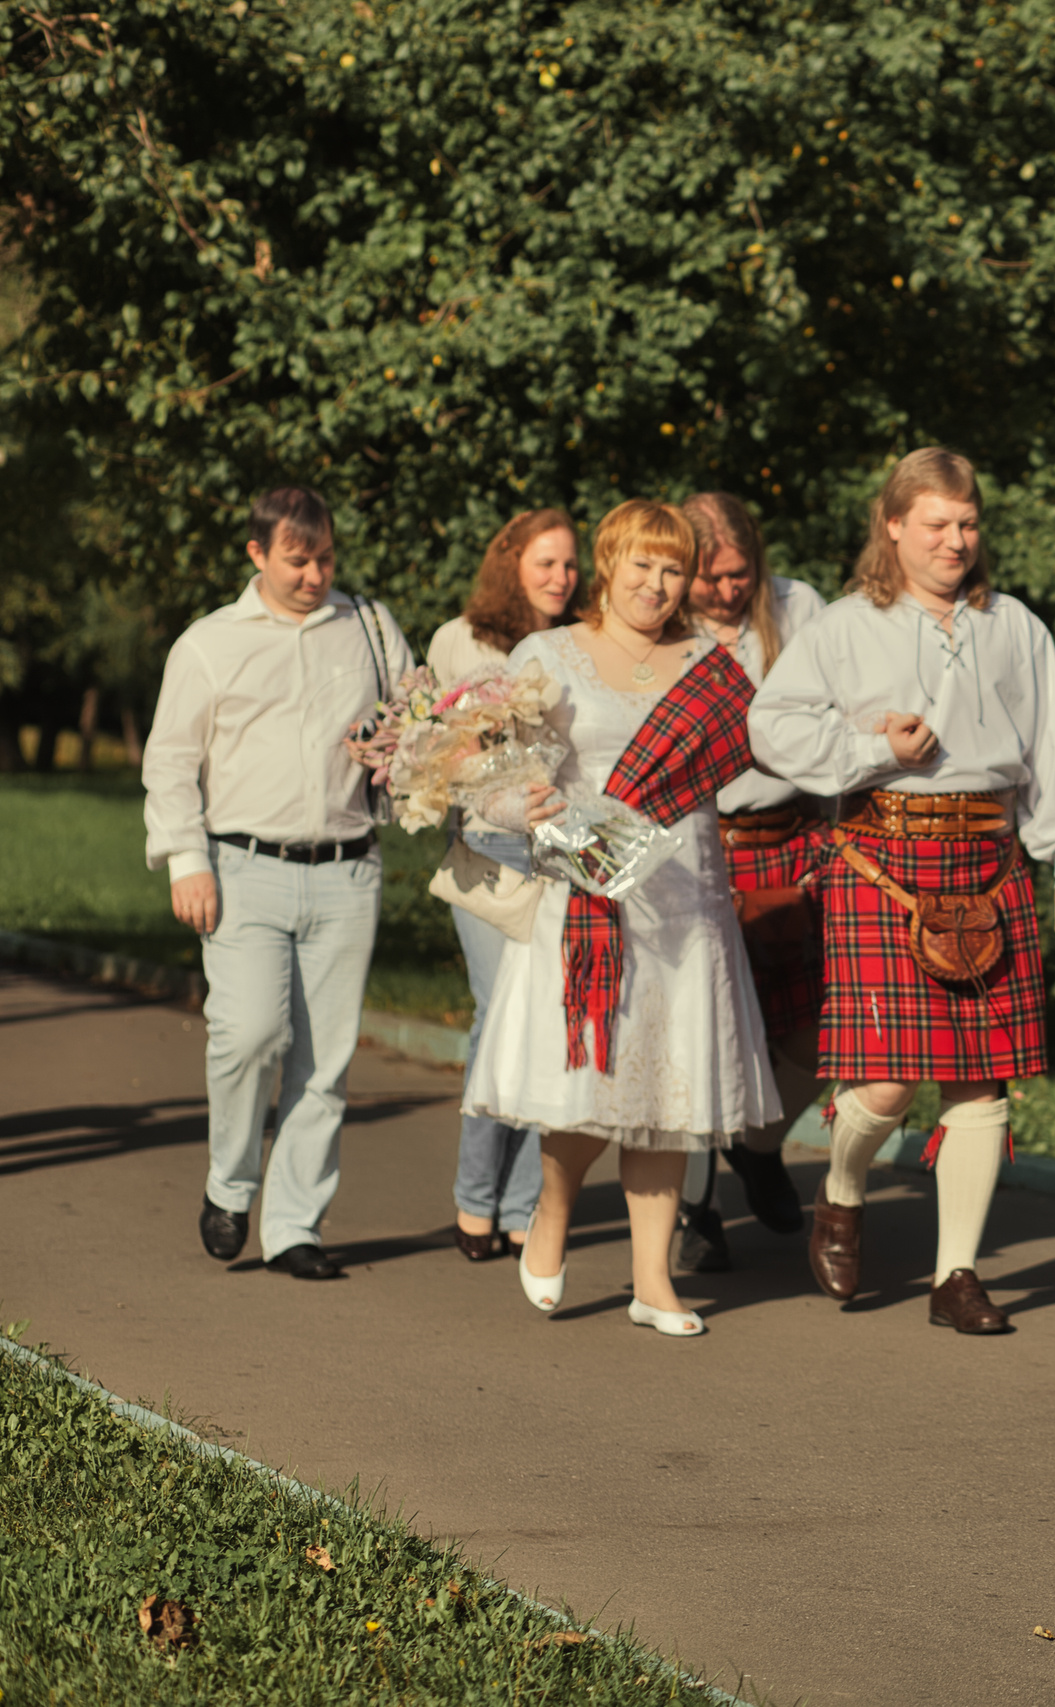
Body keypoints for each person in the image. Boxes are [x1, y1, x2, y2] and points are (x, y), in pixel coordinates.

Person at [749, 448, 1055, 1334]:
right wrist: (874, 750)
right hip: (881, 857)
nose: (956, 540)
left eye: (968, 523)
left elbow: (1051, 753)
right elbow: (771, 728)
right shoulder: (845, 625)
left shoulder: (1016, 626)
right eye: (937, 523)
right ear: (894, 524)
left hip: (988, 862)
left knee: (981, 1081)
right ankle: (840, 1188)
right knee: (889, 1085)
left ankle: (957, 1276)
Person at [461, 499, 781, 1338]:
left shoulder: (709, 663)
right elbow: (492, 780)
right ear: (608, 563)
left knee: (669, 1094)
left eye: (674, 569)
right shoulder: (547, 655)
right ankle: (552, 1213)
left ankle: (653, 1282)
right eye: (642, 564)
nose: (657, 584)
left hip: (686, 905)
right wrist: (520, 804)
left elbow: (764, 755)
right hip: (589, 899)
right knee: (589, 1088)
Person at [143, 486, 417, 1280]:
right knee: (250, 1034)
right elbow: (170, 760)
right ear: (257, 553)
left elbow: (418, 721)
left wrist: (396, 744)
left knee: (325, 1059)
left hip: (347, 869)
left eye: (325, 557)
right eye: (297, 560)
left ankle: (297, 1226)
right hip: (241, 868)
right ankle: (230, 1185)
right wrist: (186, 858)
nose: (314, 575)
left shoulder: (369, 627)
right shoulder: (209, 643)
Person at [668, 492, 832, 1271]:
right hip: (699, 843)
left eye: (741, 574)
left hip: (792, 835)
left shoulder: (800, 607)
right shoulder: (662, 620)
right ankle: (695, 1211)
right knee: (701, 1035)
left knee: (822, 1024)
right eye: (712, 577)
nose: (730, 590)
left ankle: (759, 1145)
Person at [424, 508, 580, 1264]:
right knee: (498, 1015)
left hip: (560, 849)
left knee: (544, 1021)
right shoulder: (464, 640)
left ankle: (523, 1205)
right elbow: (439, 748)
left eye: (570, 565)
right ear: (511, 563)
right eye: (546, 563)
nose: (561, 578)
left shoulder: (579, 644)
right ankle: (474, 1196)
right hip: (489, 848)